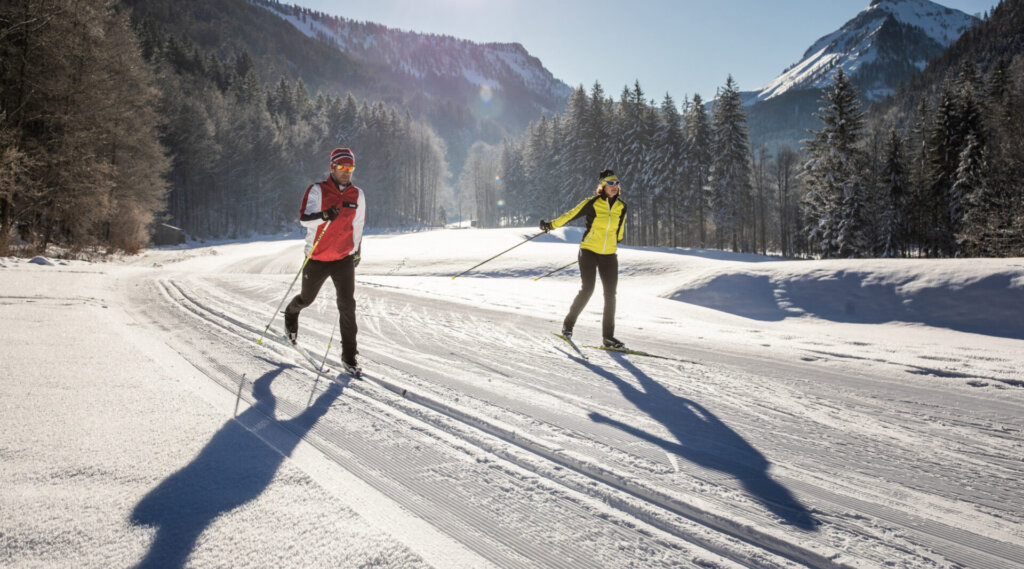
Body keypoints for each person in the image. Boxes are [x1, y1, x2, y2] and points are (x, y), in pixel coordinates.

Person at [284, 147, 366, 374]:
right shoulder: (317, 191)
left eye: (350, 168)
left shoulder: (357, 195)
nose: (346, 172)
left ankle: (349, 356)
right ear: (332, 167)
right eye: (342, 167)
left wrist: (357, 250)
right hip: (318, 257)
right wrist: (324, 215)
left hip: (343, 258)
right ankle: (291, 313)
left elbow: (357, 226)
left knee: (347, 305)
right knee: (307, 298)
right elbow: (303, 220)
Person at [540, 169, 628, 349]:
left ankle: (608, 338)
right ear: (603, 186)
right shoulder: (592, 203)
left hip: (609, 255)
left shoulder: (622, 206)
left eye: (617, 183)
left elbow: (620, 230)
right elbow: (570, 215)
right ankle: (568, 325)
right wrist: (550, 225)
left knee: (610, 295)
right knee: (588, 289)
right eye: (610, 183)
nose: (614, 186)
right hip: (588, 251)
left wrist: (615, 241)